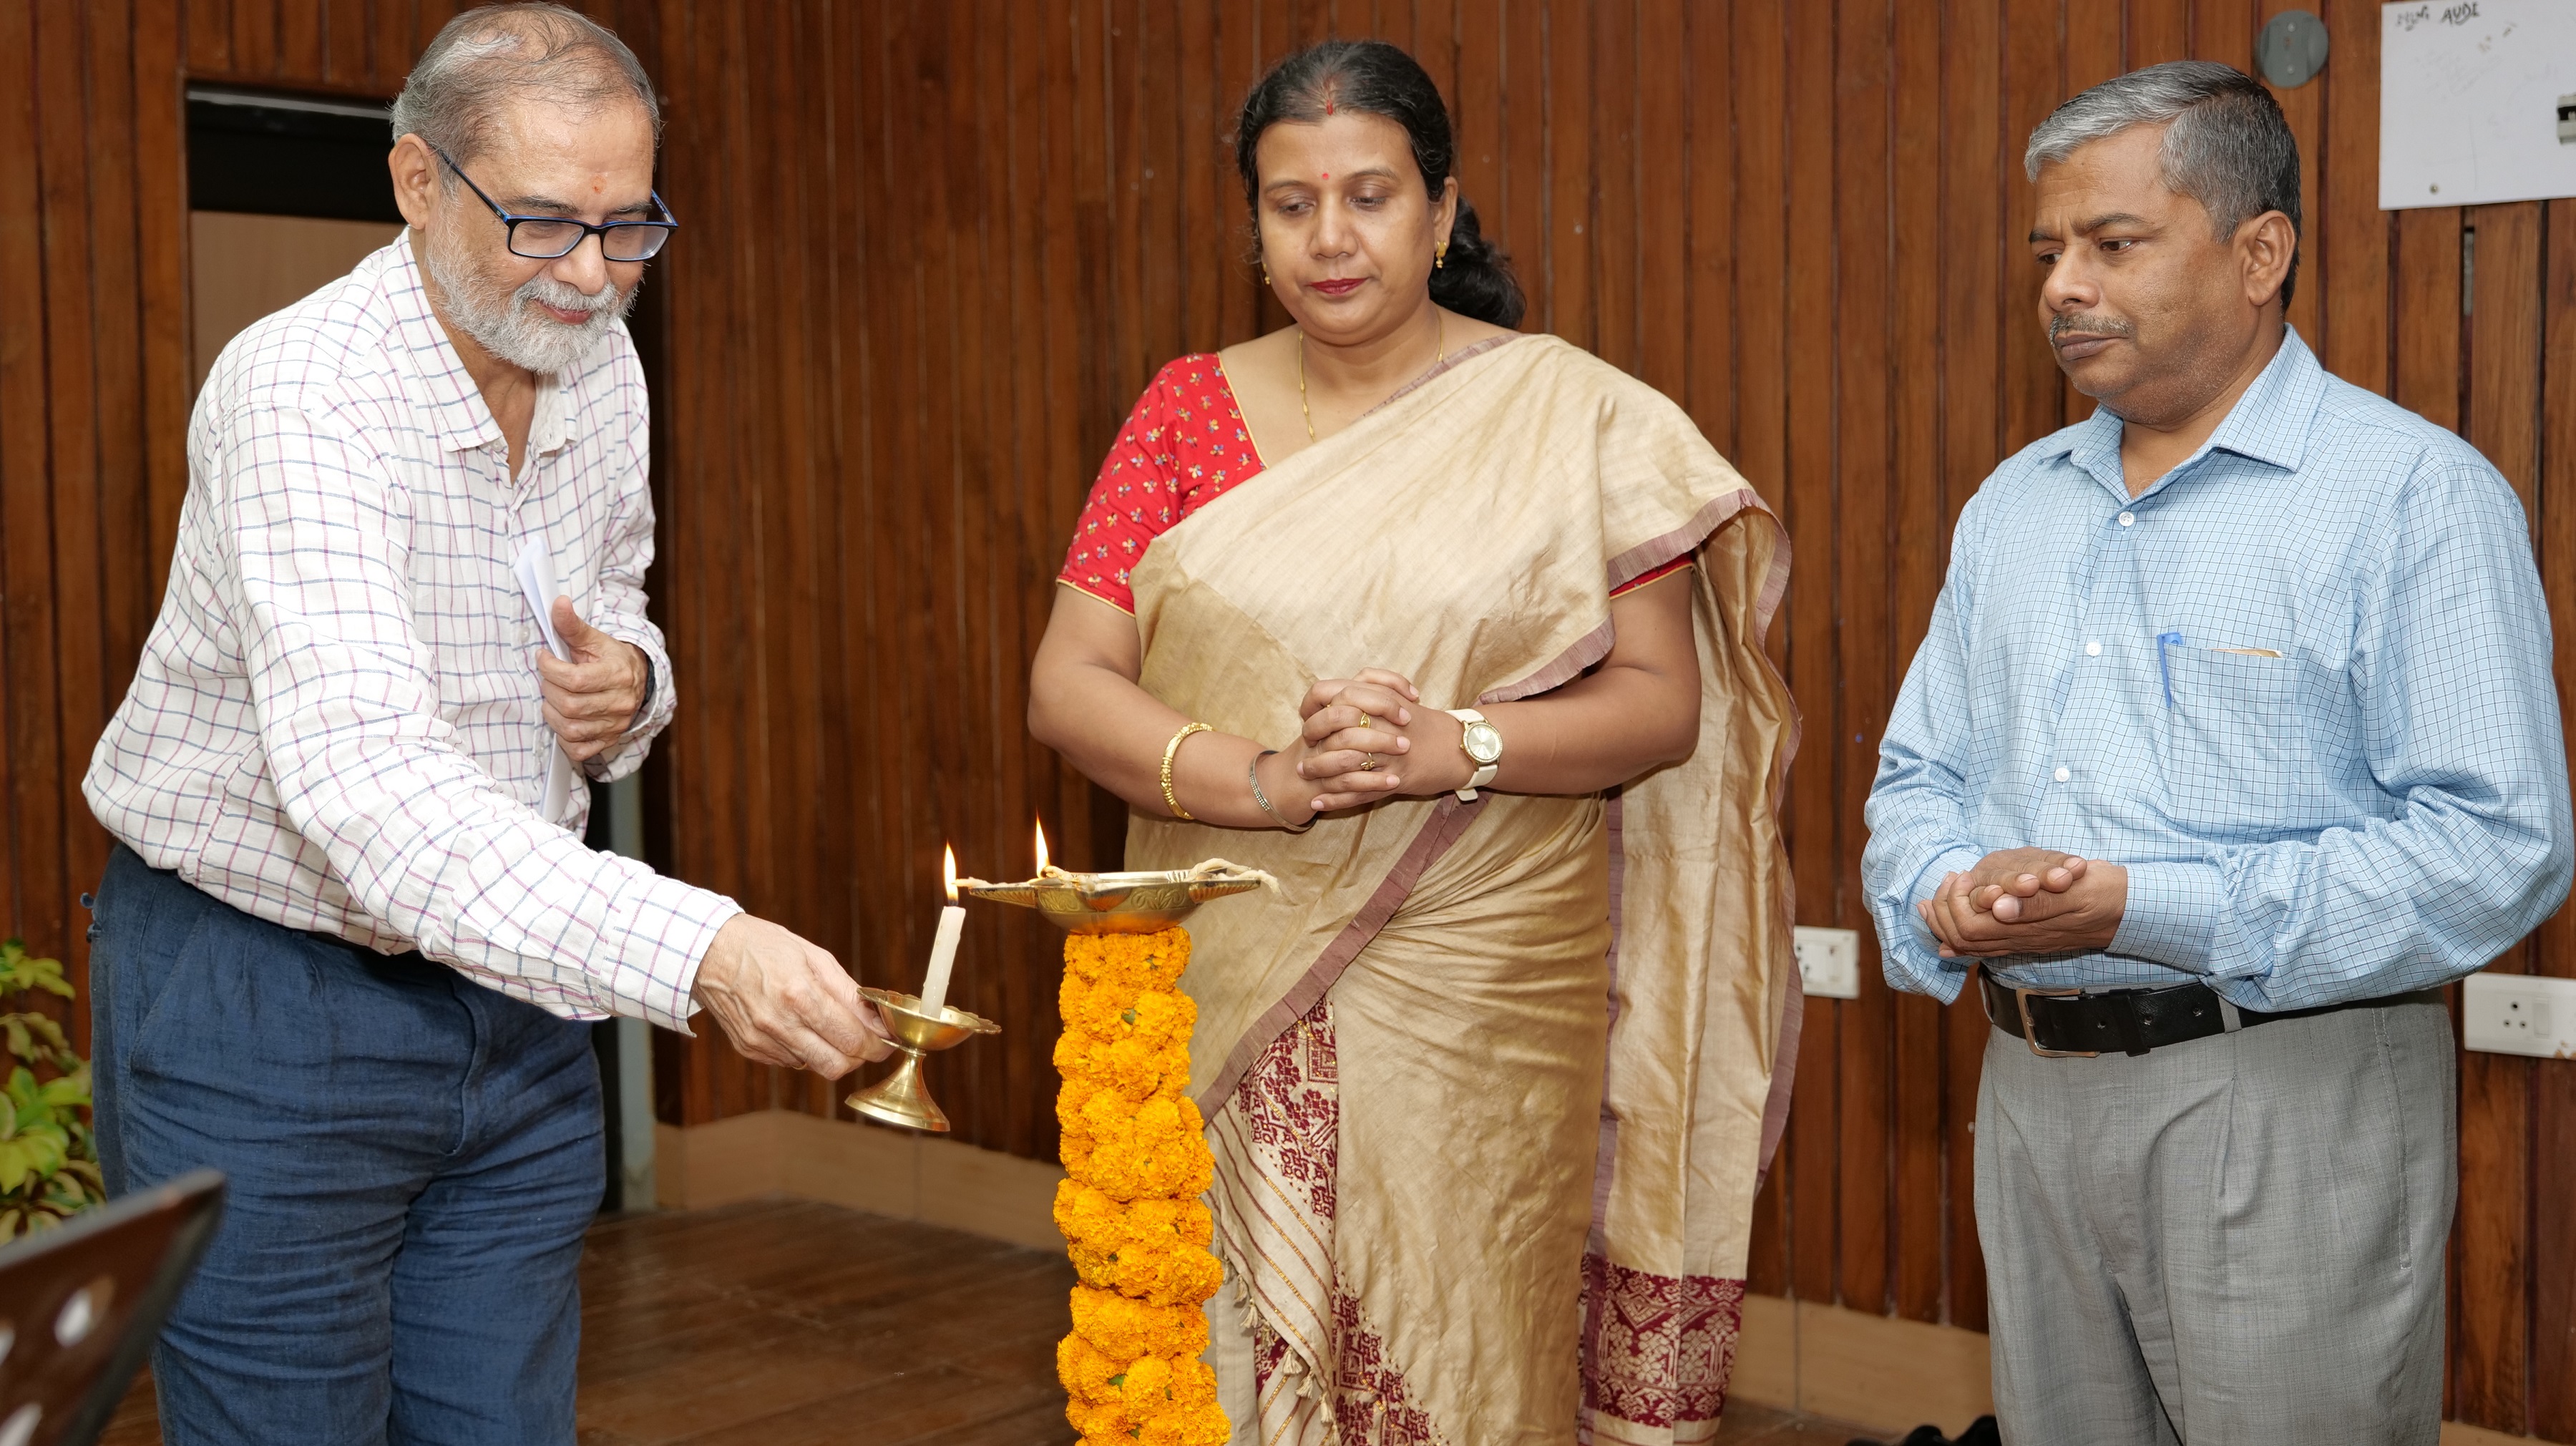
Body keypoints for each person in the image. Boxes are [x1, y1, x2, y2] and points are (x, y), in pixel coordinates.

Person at [80, 7, 890, 1442]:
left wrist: (634, 682)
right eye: (543, 224)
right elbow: (376, 798)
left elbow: (619, 605)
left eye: (629, 226)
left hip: (515, 998)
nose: (590, 275)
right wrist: (700, 947)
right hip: (264, 996)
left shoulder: (599, 360)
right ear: (414, 184)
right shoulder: (302, 394)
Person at [1028, 38, 1799, 1446]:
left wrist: (1457, 746)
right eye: (1290, 203)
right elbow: (1072, 680)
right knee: (1228, 1345)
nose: (1330, 238)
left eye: (1371, 196)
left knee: (1464, 1348)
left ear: (1444, 213)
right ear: (1253, 223)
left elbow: (1658, 702)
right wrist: (1257, 781)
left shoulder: (1580, 422)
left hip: (1491, 984)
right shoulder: (1185, 411)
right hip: (1238, 950)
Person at [1863, 62, 2572, 1445]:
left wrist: (2149, 904)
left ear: (2261, 252)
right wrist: (1944, 890)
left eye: (2113, 244)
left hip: (2285, 1092)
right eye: (2048, 249)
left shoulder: (2409, 497)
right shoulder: (2015, 504)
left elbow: (2498, 848)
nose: (2064, 284)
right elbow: (1915, 779)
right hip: (2027, 1093)